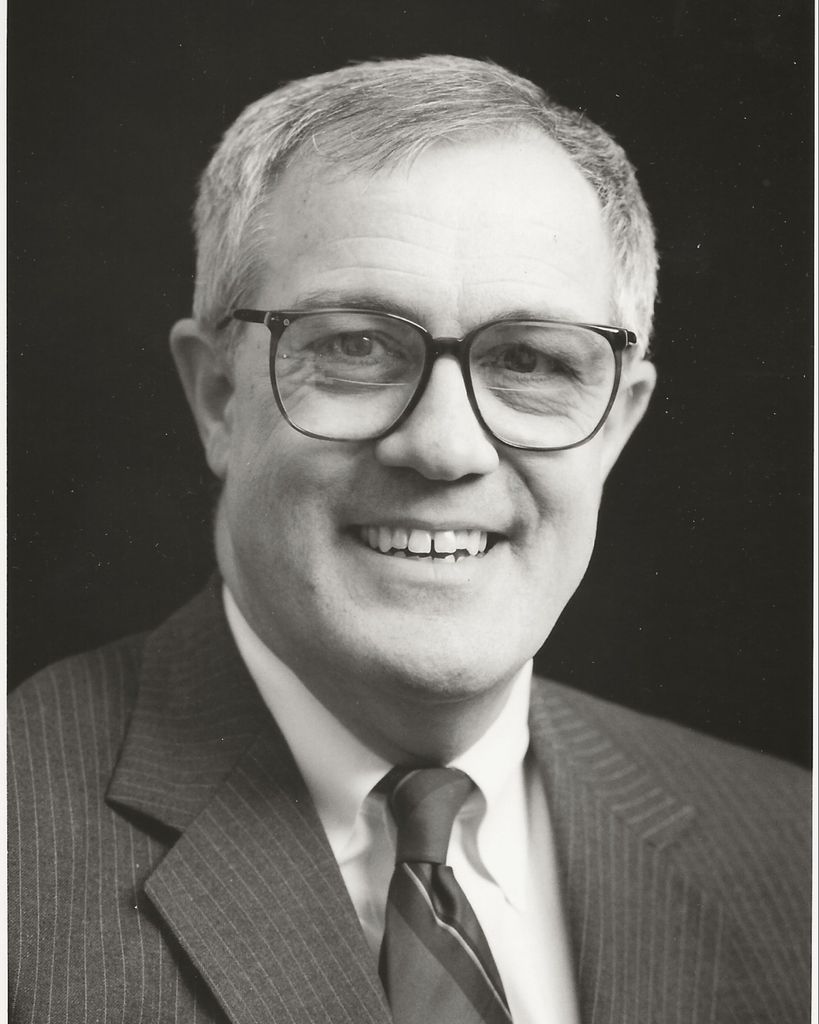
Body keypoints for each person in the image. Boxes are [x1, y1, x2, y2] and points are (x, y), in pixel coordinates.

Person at [8, 56, 810, 1024]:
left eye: (529, 361)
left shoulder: (792, 850)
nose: (444, 446)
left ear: (616, 423)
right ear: (219, 396)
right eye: (356, 347)